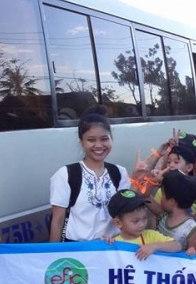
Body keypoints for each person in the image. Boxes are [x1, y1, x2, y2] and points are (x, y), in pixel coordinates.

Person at [49, 106, 129, 242]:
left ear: (111, 139)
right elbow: (58, 220)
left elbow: (127, 210)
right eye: (91, 140)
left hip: (112, 247)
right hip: (78, 250)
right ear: (81, 142)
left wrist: (141, 179)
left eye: (104, 139)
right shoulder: (66, 175)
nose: (99, 145)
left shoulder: (119, 172)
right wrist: (54, 252)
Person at [107, 189, 181, 259]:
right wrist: (104, 244)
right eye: (135, 221)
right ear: (118, 223)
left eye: (145, 218)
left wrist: (154, 246)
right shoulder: (114, 243)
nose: (142, 224)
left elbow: (177, 246)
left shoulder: (151, 236)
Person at [156, 171, 196, 250]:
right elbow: (145, 196)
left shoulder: (191, 230)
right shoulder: (164, 215)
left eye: (163, 194)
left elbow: (193, 256)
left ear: (171, 201)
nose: (161, 198)